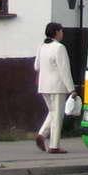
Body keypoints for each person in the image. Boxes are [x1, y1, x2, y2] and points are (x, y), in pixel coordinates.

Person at [34, 22, 77, 154]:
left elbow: (36, 66)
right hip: (57, 86)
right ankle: (54, 146)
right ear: (57, 32)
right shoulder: (60, 47)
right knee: (58, 116)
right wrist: (72, 89)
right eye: (61, 31)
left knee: (53, 112)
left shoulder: (42, 46)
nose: (62, 33)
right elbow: (64, 70)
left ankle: (41, 135)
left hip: (43, 86)